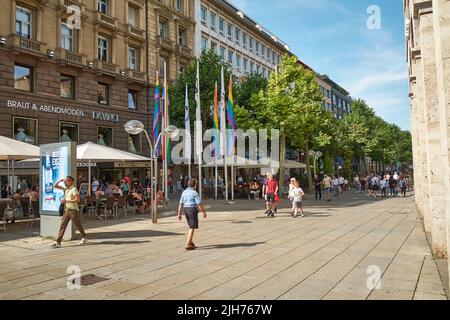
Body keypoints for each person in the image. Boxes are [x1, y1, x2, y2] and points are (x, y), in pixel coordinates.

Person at [51, 176, 87, 247]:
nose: (65, 182)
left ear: (71, 181)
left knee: (77, 225)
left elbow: (78, 199)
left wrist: (67, 201)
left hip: (73, 210)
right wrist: (60, 180)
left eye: (66, 181)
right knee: (62, 225)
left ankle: (84, 237)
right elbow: (55, 186)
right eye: (64, 181)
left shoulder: (74, 189)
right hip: (66, 210)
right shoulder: (66, 189)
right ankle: (58, 242)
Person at [178, 179, 207, 250]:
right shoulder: (195, 193)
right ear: (195, 185)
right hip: (192, 210)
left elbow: (180, 204)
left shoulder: (184, 192)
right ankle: (188, 243)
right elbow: (199, 203)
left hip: (186, 210)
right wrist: (204, 212)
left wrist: (179, 214)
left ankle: (191, 243)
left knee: (190, 226)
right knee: (192, 227)